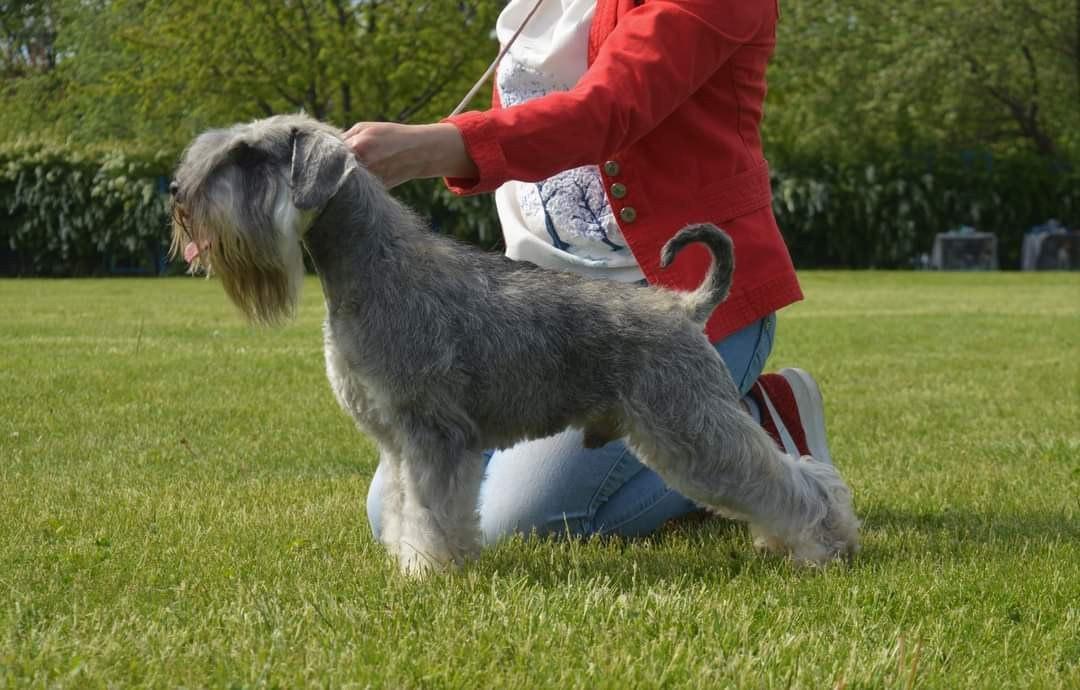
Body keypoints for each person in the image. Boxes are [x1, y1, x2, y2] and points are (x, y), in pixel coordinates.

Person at [347, 0, 833, 543]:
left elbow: (607, 110)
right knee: (394, 509)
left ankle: (752, 432)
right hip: (544, 318)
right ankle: (720, 431)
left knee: (521, 526)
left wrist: (431, 147)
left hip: (672, 312)